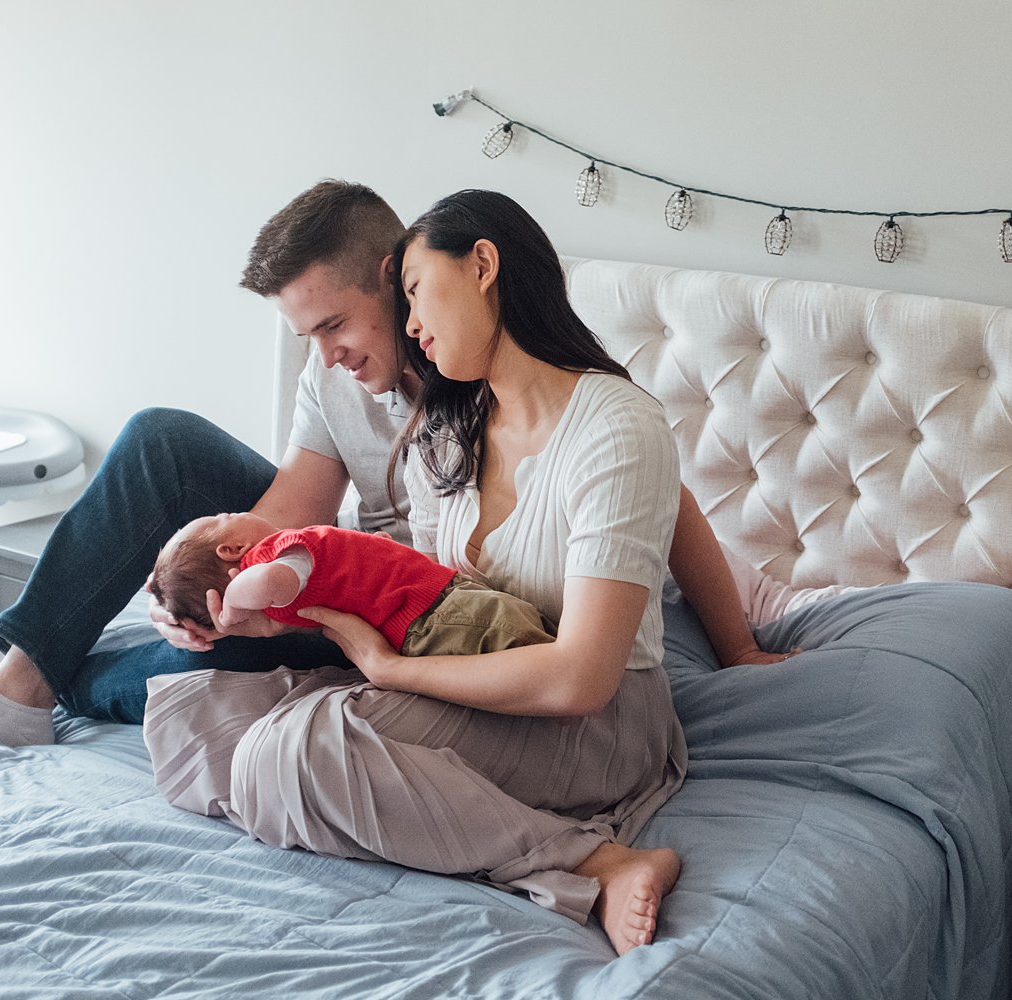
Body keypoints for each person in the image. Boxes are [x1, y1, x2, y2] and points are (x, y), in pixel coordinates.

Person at [0, 180, 788, 747]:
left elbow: (656, 491)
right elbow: (285, 515)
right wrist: (225, 578)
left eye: (335, 325)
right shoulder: (331, 372)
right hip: (336, 562)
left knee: (202, 670)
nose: (328, 355)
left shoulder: (496, 375)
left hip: (415, 608)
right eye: (307, 337)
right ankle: (27, 663)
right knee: (162, 440)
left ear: (397, 278)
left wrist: (739, 648)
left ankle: (39, 661)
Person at [144, 189, 695, 956]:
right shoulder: (450, 428)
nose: (408, 325)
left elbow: (582, 682)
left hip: (595, 719)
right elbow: (429, 597)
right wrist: (282, 614)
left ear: (482, 266)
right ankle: (399, 801)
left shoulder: (617, 427)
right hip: (473, 675)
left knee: (291, 751)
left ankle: (600, 864)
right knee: (189, 725)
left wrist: (387, 673)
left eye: (413, 293)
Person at [147, 512, 553, 658]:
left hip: (428, 612)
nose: (240, 510)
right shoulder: (272, 558)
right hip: (433, 613)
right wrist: (234, 603)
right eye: (228, 514)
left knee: (507, 631)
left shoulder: (283, 589)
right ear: (233, 549)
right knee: (514, 629)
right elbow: (271, 579)